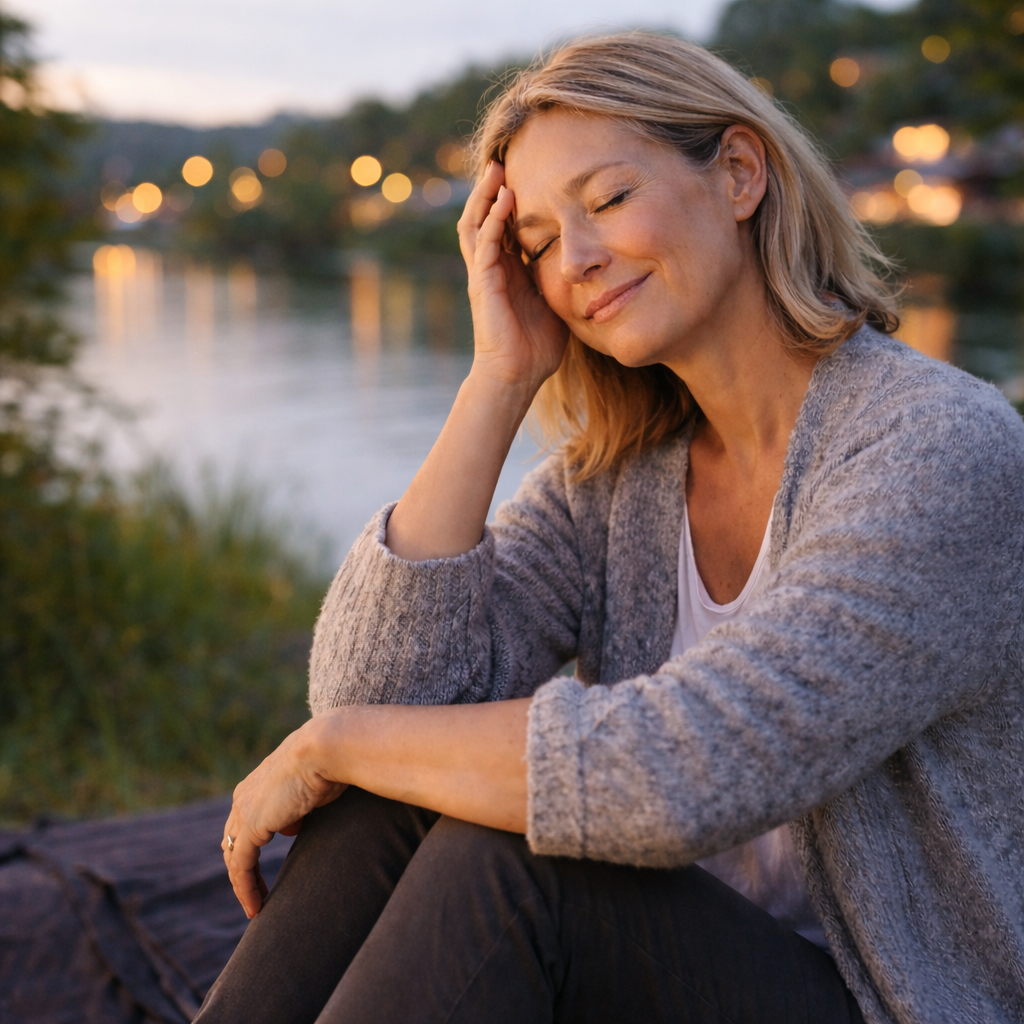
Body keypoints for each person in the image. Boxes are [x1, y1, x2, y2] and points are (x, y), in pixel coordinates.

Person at [194, 31, 1024, 1024]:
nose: (576, 260)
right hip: (666, 974)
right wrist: (497, 378)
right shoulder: (622, 480)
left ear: (739, 173)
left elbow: (678, 772)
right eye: (538, 242)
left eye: (608, 200)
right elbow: (384, 695)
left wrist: (330, 742)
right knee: (392, 794)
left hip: (890, 1004)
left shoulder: (939, 449)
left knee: (511, 850)